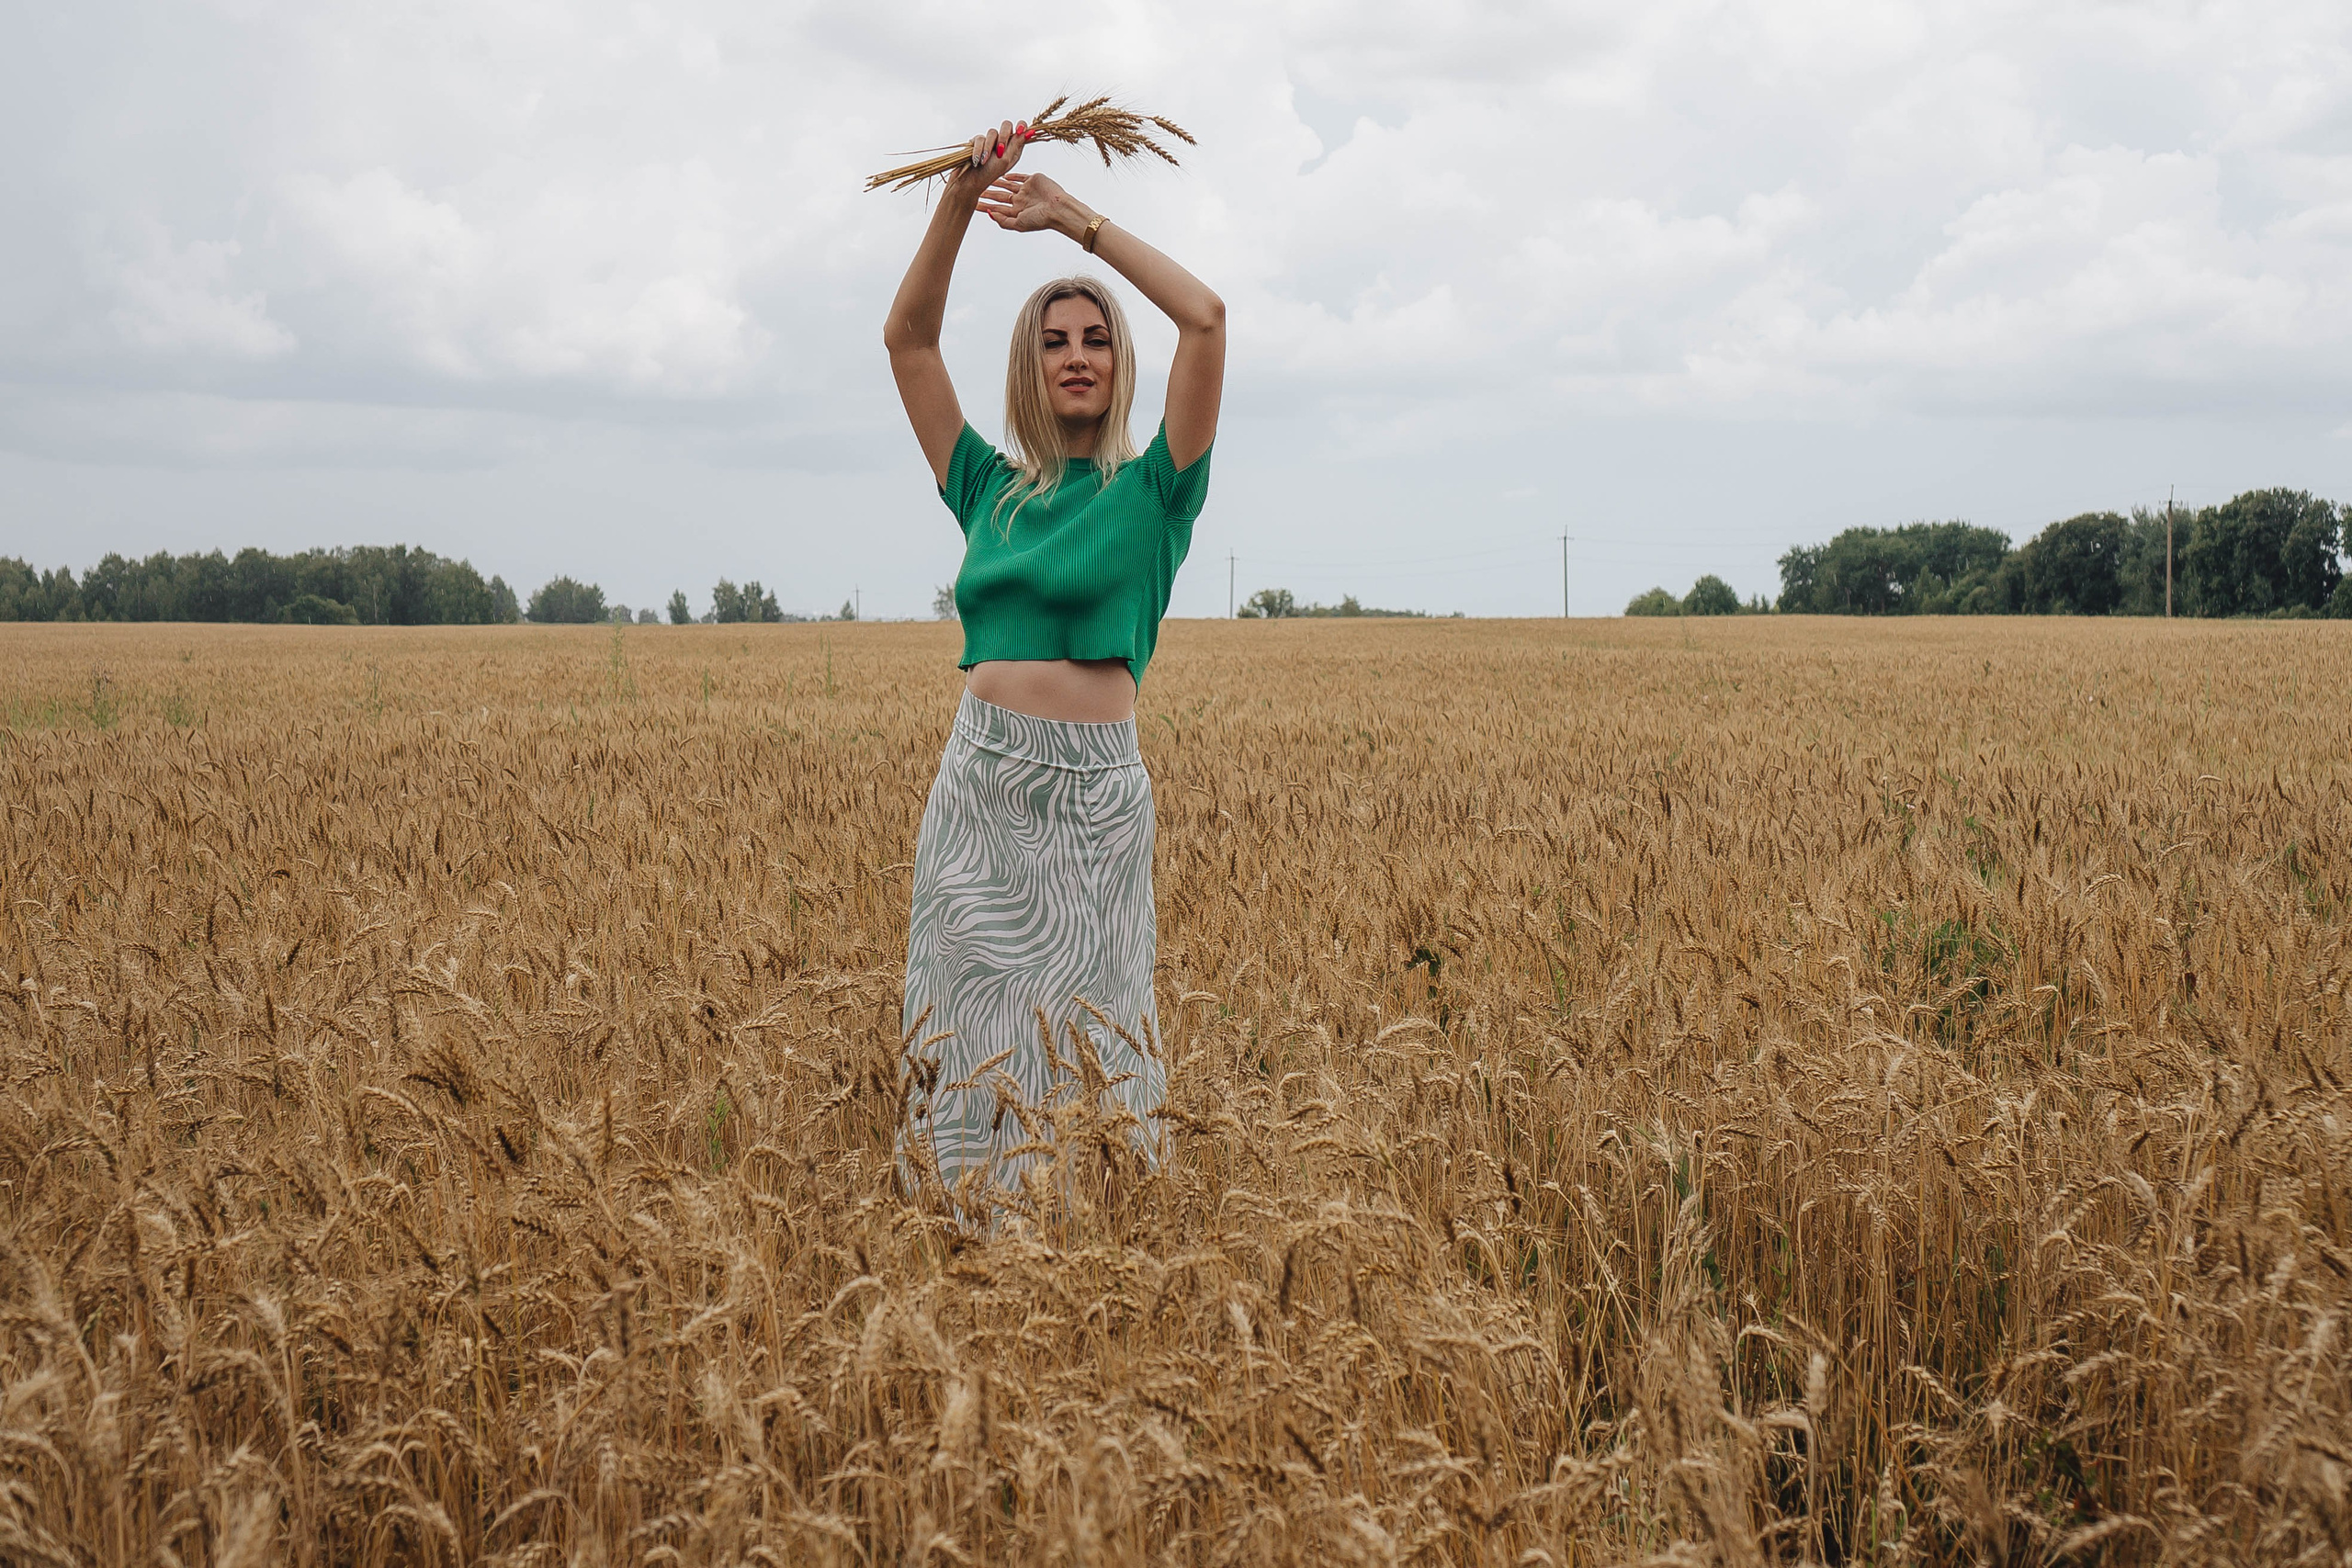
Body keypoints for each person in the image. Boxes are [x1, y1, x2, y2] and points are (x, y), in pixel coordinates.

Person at [883, 117, 1225, 1198]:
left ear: (1118, 363)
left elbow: (1207, 320)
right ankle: (961, 1242)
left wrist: (1074, 223)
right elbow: (908, 342)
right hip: (979, 788)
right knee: (968, 1038)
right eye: (1053, 342)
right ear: (1030, 367)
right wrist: (961, 197)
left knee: (1096, 1032)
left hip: (1093, 803)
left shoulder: (1157, 490)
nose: (1076, 356)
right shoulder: (987, 488)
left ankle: (1096, 1260)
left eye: (1096, 340)